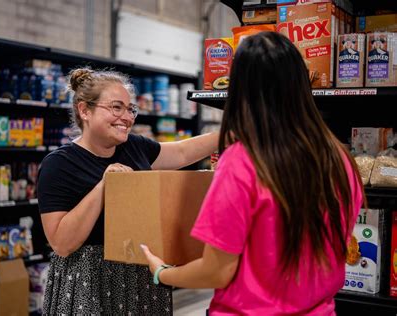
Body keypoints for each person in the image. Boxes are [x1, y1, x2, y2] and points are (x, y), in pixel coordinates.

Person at [141, 31, 364, 315]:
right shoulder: (339, 158)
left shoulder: (243, 161)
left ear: (241, 89)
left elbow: (216, 271)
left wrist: (162, 273)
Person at [37, 67, 218, 315]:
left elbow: (182, 153)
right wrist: (105, 187)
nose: (127, 117)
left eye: (130, 109)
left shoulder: (134, 147)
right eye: (116, 107)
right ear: (84, 110)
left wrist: (231, 131)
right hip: (89, 282)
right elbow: (62, 244)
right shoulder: (59, 164)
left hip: (139, 277)